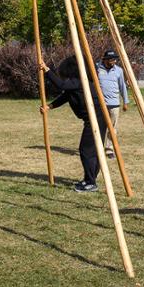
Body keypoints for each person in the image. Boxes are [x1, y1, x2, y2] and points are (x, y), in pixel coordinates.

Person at [40, 55, 107, 192]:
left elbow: (61, 85)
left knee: (87, 150)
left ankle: (90, 182)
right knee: (93, 150)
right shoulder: (76, 84)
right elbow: (66, 95)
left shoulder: (80, 81)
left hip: (96, 118)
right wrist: (50, 106)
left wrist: (47, 70)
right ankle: (90, 179)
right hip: (95, 118)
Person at [97, 49, 128, 159]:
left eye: (114, 59)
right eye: (111, 59)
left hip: (114, 104)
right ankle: (98, 147)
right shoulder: (97, 69)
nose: (113, 61)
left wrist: (125, 101)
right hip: (100, 104)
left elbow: (122, 86)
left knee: (113, 128)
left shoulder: (118, 70)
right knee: (99, 127)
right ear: (105, 60)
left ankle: (109, 149)